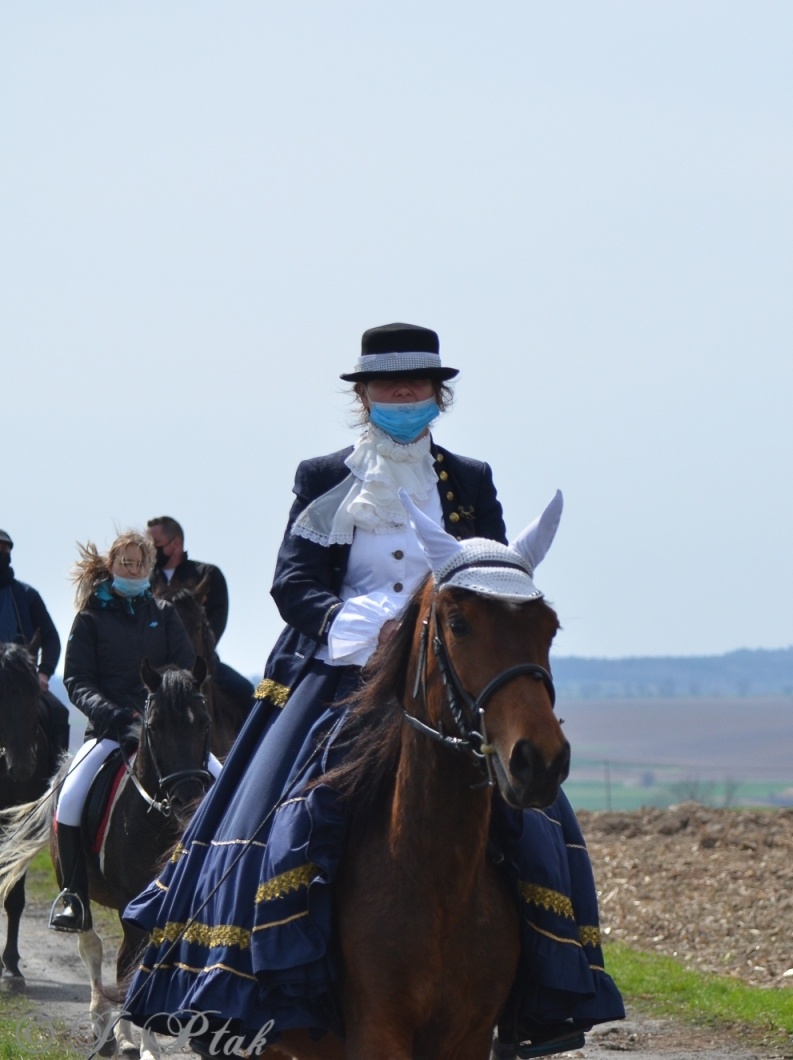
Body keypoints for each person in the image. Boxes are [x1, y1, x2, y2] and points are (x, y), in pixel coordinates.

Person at [123, 323, 623, 1055]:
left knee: (541, 817)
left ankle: (550, 978)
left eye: (416, 386)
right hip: (339, 663)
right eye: (388, 387)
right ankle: (232, 970)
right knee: (271, 799)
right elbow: (291, 579)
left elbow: (492, 579)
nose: (403, 397)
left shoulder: (471, 479)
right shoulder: (323, 475)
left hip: (445, 667)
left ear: (436, 395)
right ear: (364, 396)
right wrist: (349, 622)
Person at [54, 531, 202, 932]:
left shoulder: (165, 614)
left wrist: (162, 706)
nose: (133, 570)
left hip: (162, 732)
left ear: (148, 568)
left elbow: (184, 669)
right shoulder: (89, 618)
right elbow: (77, 680)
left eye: (139, 564)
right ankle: (73, 897)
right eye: (126, 563)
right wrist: (109, 712)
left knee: (224, 781)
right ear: (112, 567)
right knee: (69, 797)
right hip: (109, 732)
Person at [145, 515, 257, 708]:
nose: (150, 551)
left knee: (247, 693)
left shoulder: (207, 574)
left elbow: (217, 622)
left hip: (203, 663)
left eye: (155, 545)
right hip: (158, 666)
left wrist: (194, 657)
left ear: (176, 543)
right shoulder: (146, 583)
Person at [0, 529, 69, 756]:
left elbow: (51, 638)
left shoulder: (27, 595)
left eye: (4, 549)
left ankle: (58, 782)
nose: (1, 552)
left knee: (58, 713)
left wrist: (43, 674)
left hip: (24, 683)